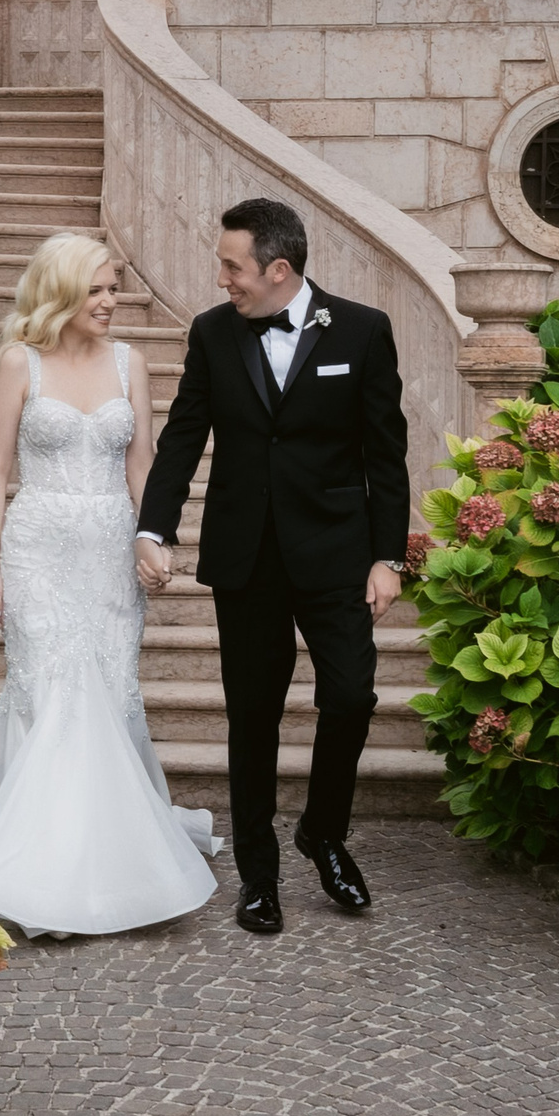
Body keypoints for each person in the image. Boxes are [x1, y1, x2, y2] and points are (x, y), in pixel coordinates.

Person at [135, 197, 408, 934]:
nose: (223, 279)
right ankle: (259, 875)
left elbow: (386, 454)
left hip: (337, 555)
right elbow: (183, 436)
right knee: (252, 717)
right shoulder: (212, 334)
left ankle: (323, 831)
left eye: (233, 266)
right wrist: (153, 528)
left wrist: (388, 556)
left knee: (351, 695)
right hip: (246, 555)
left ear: (277, 268)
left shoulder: (362, 330)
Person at [0, 231, 219, 936]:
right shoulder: (19, 363)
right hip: (37, 548)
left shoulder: (132, 361)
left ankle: (113, 859)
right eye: (96, 289)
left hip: (107, 552)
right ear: (62, 292)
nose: (111, 300)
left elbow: (142, 465)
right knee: (48, 692)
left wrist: (151, 537)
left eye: (113, 287)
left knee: (107, 689)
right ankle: (34, 869)